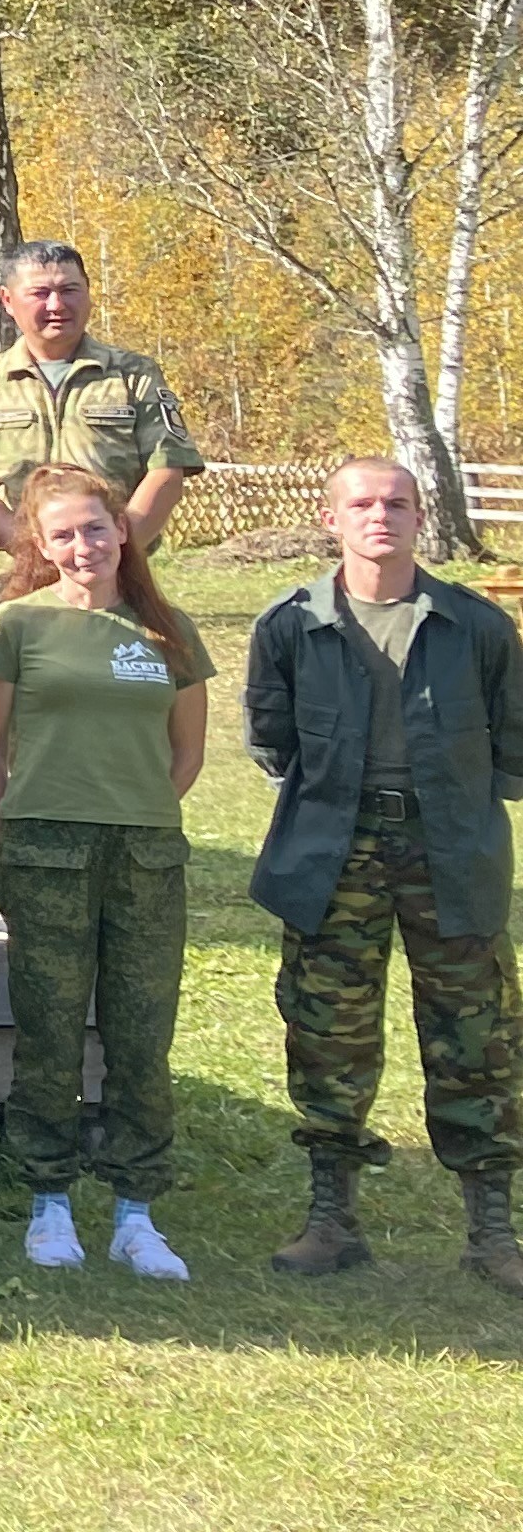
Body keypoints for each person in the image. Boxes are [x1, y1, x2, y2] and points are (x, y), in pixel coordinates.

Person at [245, 458, 523, 1293]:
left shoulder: (475, 625)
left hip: (451, 851)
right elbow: (273, 739)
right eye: (362, 504)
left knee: (477, 1038)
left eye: (397, 503)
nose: (381, 517)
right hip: (334, 852)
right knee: (329, 1035)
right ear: (331, 518)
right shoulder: (292, 624)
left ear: (418, 516)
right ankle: (333, 1220)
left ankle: (493, 1231)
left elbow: (513, 746)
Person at [0, 463, 210, 1279]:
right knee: (48, 1030)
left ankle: (136, 1210)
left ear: (124, 533)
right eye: (64, 534)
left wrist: (129, 805)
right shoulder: (14, 625)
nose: (84, 546)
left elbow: (186, 755)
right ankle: (49, 1201)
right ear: (41, 543)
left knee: (142, 1035)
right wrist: (14, 847)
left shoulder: (167, 629)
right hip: (45, 852)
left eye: (97, 529)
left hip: (144, 855)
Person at [0, 241, 205, 595]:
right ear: (7, 301)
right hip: (18, 580)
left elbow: (166, 473)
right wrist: (32, 551)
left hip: (117, 582)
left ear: (88, 294)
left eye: (69, 290)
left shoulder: (133, 375)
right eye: (40, 293)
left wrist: (114, 552)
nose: (56, 305)